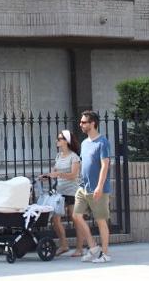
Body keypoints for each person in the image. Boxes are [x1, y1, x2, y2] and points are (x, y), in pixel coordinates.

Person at [71, 110, 112, 263]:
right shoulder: (84, 143)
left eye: (83, 122)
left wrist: (100, 186)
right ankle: (94, 247)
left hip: (98, 189)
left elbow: (105, 165)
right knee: (76, 216)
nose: (80, 124)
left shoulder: (102, 142)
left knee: (101, 220)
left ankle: (106, 254)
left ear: (92, 123)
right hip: (83, 187)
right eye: (81, 122)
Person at [39, 129, 82, 257]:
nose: (57, 141)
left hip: (72, 192)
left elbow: (74, 175)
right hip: (60, 192)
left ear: (66, 141)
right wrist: (46, 176)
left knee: (76, 220)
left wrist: (59, 174)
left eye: (59, 139)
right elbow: (55, 172)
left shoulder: (74, 157)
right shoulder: (58, 156)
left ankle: (80, 249)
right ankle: (64, 245)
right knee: (55, 219)